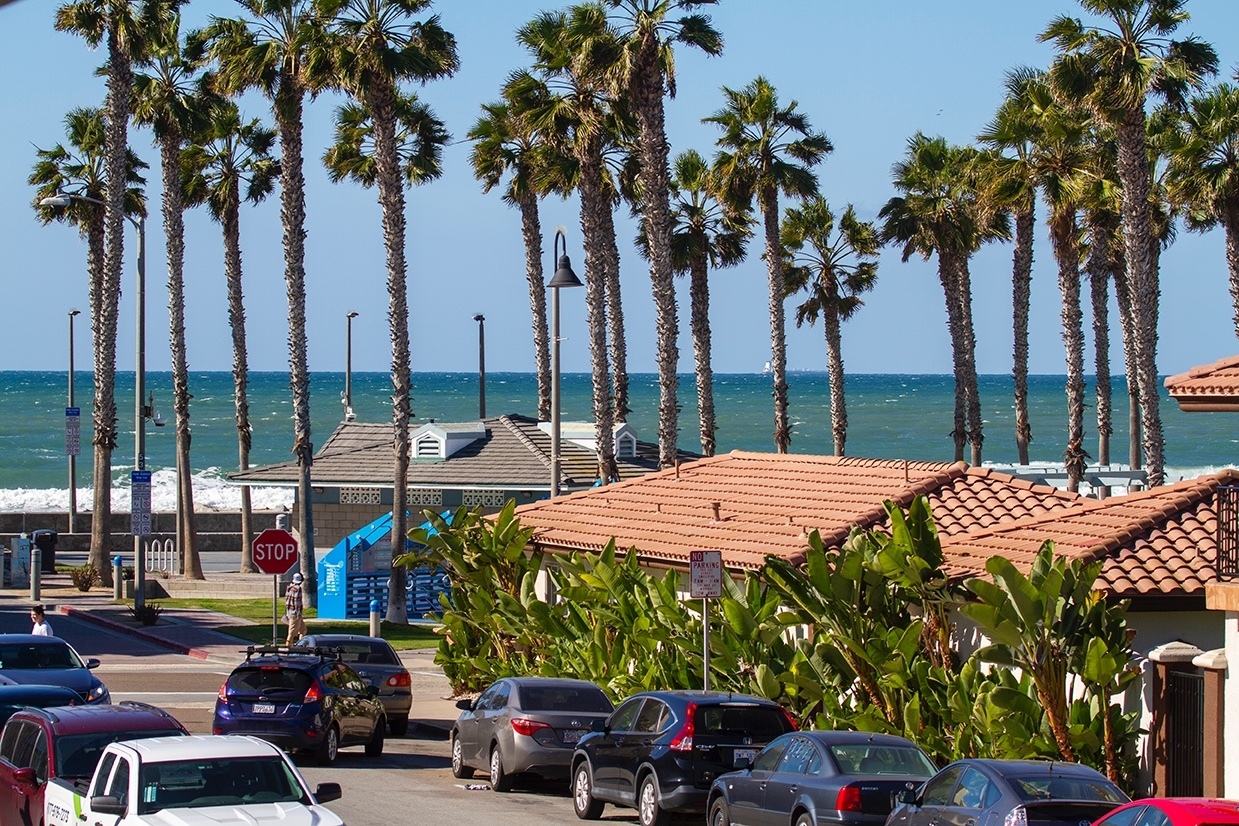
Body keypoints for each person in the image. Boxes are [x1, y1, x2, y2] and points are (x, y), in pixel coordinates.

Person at [284, 573, 305, 645]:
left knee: (303, 630)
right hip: (295, 614)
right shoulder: (298, 589)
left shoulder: (289, 588)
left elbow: (286, 601)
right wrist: (298, 613)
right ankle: (287, 648)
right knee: (291, 633)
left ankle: (301, 645)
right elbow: (297, 602)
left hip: (289, 612)